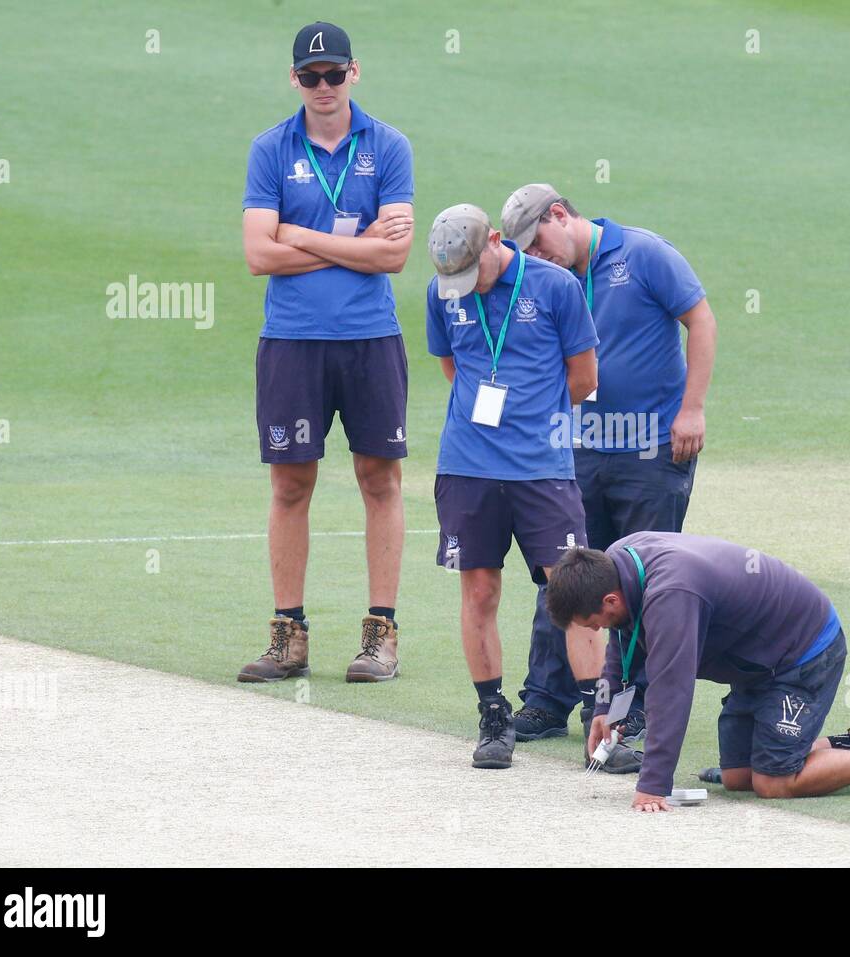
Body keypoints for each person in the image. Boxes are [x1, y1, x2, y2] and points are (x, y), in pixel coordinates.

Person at [501, 185, 717, 749]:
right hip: (575, 448)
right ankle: (546, 699)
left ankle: (632, 705)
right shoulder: (547, 277)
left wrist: (692, 409)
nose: (534, 255)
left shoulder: (644, 254)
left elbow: (702, 321)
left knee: (643, 584)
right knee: (563, 574)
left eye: (538, 242)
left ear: (559, 215)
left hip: (651, 451)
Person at [424, 204, 633, 771]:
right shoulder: (443, 290)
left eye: (474, 271)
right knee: (480, 592)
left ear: (496, 240)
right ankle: (493, 717)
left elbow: (584, 376)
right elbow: (453, 366)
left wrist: (531, 418)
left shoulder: (556, 286)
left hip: (542, 469)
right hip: (467, 466)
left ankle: (602, 725)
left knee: (572, 592)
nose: (466, 287)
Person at [238, 22, 415, 685]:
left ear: (354, 73)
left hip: (370, 336)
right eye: (310, 76)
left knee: (380, 478)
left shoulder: (389, 145)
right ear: (294, 80)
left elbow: (394, 254)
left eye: (333, 74)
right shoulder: (270, 148)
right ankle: (289, 635)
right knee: (290, 483)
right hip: (292, 340)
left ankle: (380, 635)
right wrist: (355, 242)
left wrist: (299, 235)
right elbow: (258, 255)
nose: (322, 87)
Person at [545, 533, 850, 811]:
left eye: (593, 621)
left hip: (803, 653)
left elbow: (672, 692)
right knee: (739, 777)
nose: (598, 630)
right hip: (757, 661)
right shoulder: (617, 562)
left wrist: (653, 785)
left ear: (611, 597)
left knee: (773, 782)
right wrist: (606, 711)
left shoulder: (670, 595)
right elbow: (623, 642)